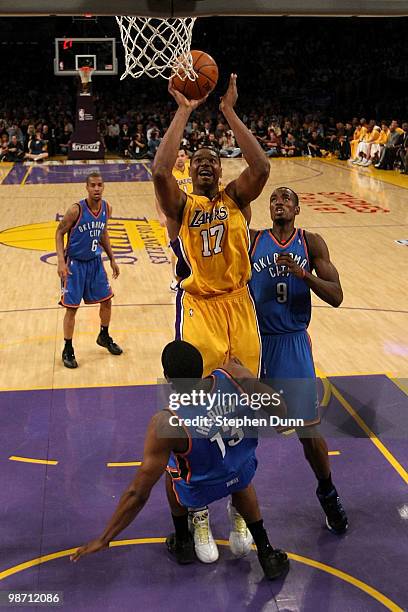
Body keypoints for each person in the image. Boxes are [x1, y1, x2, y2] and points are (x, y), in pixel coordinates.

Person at [152, 73, 270, 561]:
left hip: (241, 306)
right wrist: (184, 110)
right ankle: (198, 511)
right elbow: (160, 172)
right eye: (197, 161)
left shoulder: (236, 199)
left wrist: (227, 112)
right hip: (198, 307)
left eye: (211, 161)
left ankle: (239, 508)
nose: (204, 165)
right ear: (190, 171)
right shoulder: (182, 207)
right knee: (196, 408)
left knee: (245, 404)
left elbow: (261, 165)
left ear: (220, 172)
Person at [70, 340, 290, 580]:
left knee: (171, 466)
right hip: (241, 471)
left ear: (167, 378)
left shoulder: (167, 422)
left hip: (198, 490)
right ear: (201, 366)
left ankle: (184, 540)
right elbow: (281, 411)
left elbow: (137, 494)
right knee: (239, 475)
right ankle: (267, 553)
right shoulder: (234, 375)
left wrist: (105, 538)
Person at [249, 186, 348, 535]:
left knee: (309, 430)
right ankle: (237, 509)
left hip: (291, 343)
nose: (279, 203)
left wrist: (303, 274)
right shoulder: (252, 239)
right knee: (238, 429)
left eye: (286, 199)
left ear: (298, 208)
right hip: (254, 343)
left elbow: (336, 297)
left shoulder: (311, 243)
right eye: (274, 199)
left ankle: (328, 492)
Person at [55, 172, 122, 369]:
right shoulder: (76, 210)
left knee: (107, 300)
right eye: (92, 185)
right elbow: (59, 232)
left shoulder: (106, 208)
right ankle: (68, 348)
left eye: (100, 185)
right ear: (86, 187)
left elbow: (103, 233)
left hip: (95, 262)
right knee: (72, 308)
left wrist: (112, 259)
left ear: (104, 187)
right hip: (74, 264)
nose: (96, 189)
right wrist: (61, 261)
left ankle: (104, 334)